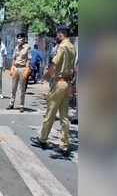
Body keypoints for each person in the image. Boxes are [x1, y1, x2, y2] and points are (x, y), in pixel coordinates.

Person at [31, 25, 77, 156]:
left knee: (50, 112)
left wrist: (45, 77)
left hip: (59, 83)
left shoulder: (62, 46)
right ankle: (64, 145)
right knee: (64, 117)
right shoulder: (72, 47)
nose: (56, 36)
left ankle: (42, 139)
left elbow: (55, 63)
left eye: (57, 34)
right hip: (68, 84)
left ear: (62, 34)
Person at [7, 33, 31, 113]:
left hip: (23, 68)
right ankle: (11, 103)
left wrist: (27, 69)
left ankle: (21, 105)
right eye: (18, 38)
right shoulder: (16, 47)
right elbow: (14, 58)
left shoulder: (28, 47)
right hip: (16, 68)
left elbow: (29, 59)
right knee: (13, 87)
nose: (19, 40)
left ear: (24, 39)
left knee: (22, 88)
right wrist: (12, 67)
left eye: (21, 38)